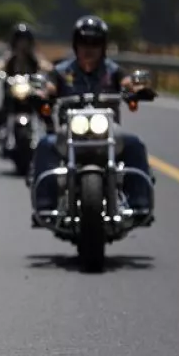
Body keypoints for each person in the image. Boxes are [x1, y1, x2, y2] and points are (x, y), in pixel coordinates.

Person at [30, 15, 155, 215]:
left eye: (95, 42)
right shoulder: (62, 71)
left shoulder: (113, 71)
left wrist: (138, 90)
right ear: (75, 44)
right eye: (84, 42)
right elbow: (49, 87)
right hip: (69, 131)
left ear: (103, 45)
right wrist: (40, 94)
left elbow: (127, 83)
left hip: (108, 132)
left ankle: (140, 203)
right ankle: (45, 205)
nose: (89, 47)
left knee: (134, 144)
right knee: (45, 145)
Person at [0, 23, 53, 155]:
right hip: (12, 93)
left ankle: (52, 138)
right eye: (20, 41)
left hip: (31, 93)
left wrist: (52, 73)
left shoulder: (34, 59)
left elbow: (46, 66)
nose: (23, 44)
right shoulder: (10, 58)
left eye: (25, 41)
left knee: (46, 110)